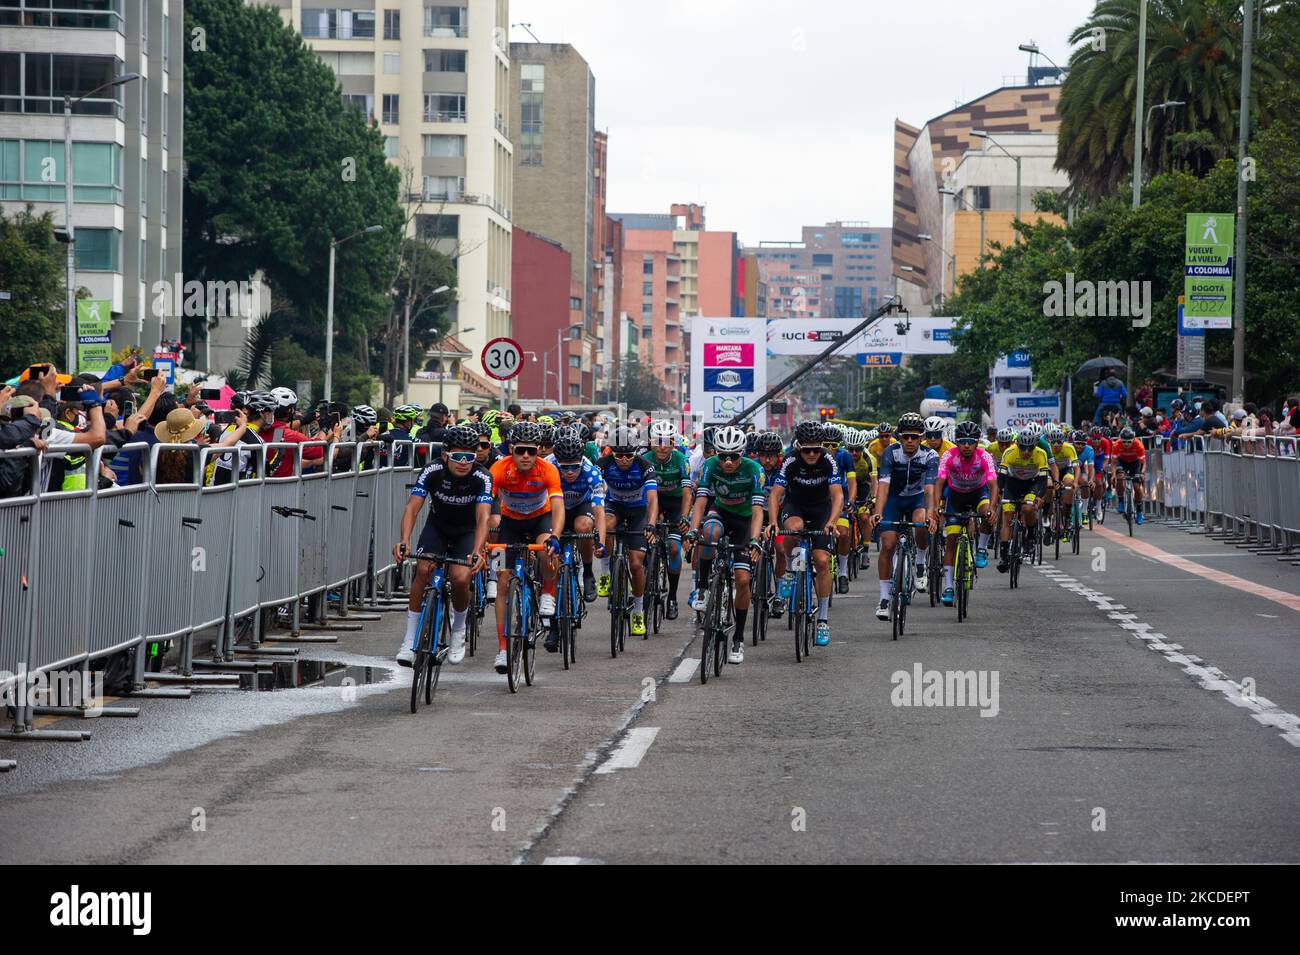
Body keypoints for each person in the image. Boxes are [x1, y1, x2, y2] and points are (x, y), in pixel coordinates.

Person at [393, 425, 492, 666]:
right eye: (458, 457)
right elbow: (413, 507)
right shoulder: (432, 470)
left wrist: (478, 551)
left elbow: (483, 518)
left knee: (460, 578)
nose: (464, 463)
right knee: (423, 570)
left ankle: (458, 630)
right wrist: (404, 540)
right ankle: (409, 639)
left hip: (466, 531)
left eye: (469, 457)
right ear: (445, 455)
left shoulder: (482, 477)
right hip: (437, 527)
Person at [489, 421, 564, 674]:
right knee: (501, 582)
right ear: (511, 448)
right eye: (520, 450)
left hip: (539, 519)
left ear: (538, 450)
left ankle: (547, 593)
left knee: (546, 549)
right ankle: (502, 649)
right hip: (510, 522)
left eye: (532, 451)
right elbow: (485, 504)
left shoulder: (548, 470)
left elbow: (558, 508)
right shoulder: (499, 468)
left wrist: (556, 535)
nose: (526, 456)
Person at [688, 425, 767, 661]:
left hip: (744, 522)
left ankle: (739, 639)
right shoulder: (709, 465)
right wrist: (693, 530)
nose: (729, 462)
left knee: (743, 581)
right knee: (708, 532)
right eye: (723, 456)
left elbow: (756, 511)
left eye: (734, 456)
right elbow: (700, 503)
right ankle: (702, 588)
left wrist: (754, 540)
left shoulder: (754, 470)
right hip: (721, 513)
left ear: (742, 454)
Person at [869, 413, 939, 619]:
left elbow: (929, 489)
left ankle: (919, 564)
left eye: (915, 437)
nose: (910, 440)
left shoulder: (930, 456)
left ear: (921, 437)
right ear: (899, 437)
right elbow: (883, 485)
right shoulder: (891, 453)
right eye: (906, 436)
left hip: (917, 499)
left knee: (920, 523)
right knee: (888, 544)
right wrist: (878, 512)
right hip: (894, 500)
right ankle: (883, 598)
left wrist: (931, 515)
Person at [595, 425, 659, 637]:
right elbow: (592, 493)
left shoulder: (645, 466)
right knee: (608, 523)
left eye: (628, 455)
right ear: (612, 452)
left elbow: (652, 499)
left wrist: (651, 524)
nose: (623, 459)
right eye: (619, 455)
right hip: (614, 507)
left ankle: (639, 611)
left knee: (635, 563)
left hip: (638, 512)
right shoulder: (602, 464)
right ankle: (605, 572)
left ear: (635, 453)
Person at [933, 420, 998, 605]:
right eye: (962, 441)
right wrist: (936, 505)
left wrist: (993, 509)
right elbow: (939, 482)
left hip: (979, 493)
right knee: (951, 541)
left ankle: (982, 548)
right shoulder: (948, 455)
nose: (967, 445)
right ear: (957, 441)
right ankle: (948, 587)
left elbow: (993, 485)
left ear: (977, 442)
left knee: (987, 514)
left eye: (971, 441)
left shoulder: (985, 456)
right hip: (956, 497)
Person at [548, 426, 607, 614]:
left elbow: (599, 511)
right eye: (565, 468)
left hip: (581, 506)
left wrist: (602, 542)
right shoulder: (548, 467)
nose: (570, 472)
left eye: (575, 467)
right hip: (556, 507)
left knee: (583, 527)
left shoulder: (591, 471)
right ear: (558, 462)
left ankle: (588, 572)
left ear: (581, 461)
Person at [640, 419, 693, 619]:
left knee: (672, 547)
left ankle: (671, 596)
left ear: (674, 443)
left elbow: (688, 494)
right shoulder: (644, 459)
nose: (662, 446)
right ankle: (644, 576)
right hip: (652, 500)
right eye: (657, 441)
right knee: (643, 542)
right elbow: (639, 492)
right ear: (651, 442)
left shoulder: (681, 460)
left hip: (675, 502)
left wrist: (685, 517)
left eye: (667, 441)